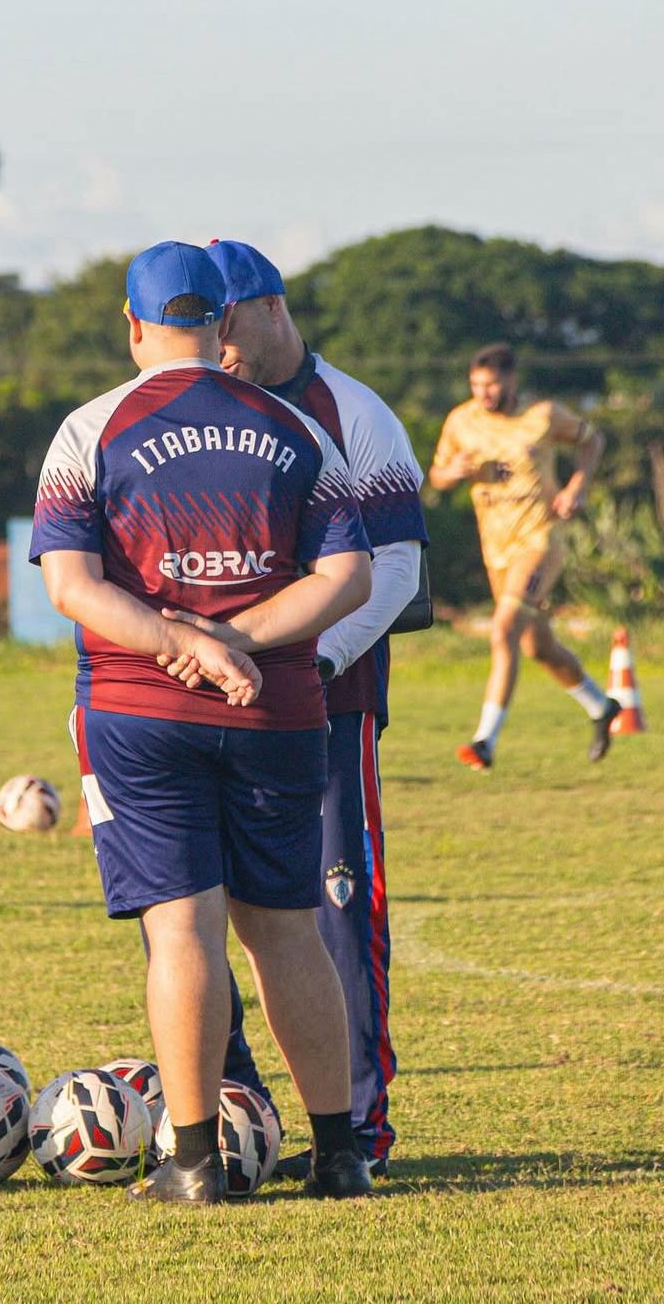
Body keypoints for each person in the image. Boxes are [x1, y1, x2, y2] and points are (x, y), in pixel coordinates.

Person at [31, 240, 374, 1204]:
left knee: (183, 928)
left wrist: (183, 643)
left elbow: (72, 585)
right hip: (279, 710)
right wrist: (239, 638)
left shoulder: (89, 430)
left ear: (133, 323)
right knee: (288, 930)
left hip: (142, 712)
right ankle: (340, 1151)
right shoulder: (301, 428)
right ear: (226, 322)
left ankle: (193, 1161)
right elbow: (346, 577)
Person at [167, 238, 428, 1181]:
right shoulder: (194, 407)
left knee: (331, 911)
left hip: (328, 705)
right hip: (200, 711)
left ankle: (358, 1130)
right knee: (195, 911)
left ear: (271, 307)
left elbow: (395, 569)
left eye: (227, 326)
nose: (216, 346)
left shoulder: (355, 414)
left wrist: (301, 660)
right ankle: (244, 1114)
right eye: (202, 329)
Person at [429, 342, 617, 770]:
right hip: (496, 549)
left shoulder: (543, 415)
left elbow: (592, 440)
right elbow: (437, 475)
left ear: (511, 380)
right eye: (476, 385)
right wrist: (452, 473)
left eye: (492, 384)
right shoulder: (461, 421)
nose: (484, 393)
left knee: (503, 630)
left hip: (540, 541)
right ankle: (601, 707)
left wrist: (576, 488)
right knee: (537, 645)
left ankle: (484, 741)